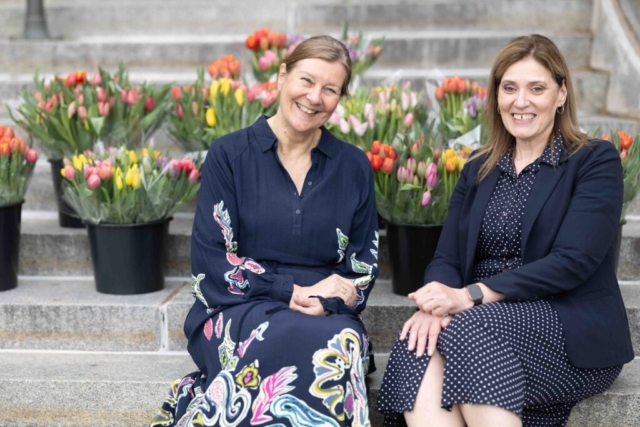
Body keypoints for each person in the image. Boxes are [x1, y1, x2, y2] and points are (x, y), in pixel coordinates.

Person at [376, 34, 634, 427]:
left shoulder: (592, 161)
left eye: (537, 88)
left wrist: (471, 296)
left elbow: (572, 261)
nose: (521, 101)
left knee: (468, 329)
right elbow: (446, 257)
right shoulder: (478, 168)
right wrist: (433, 305)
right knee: (418, 339)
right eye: (509, 88)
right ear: (496, 95)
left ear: (561, 93)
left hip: (565, 323)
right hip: (476, 320)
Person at [150, 35, 379, 427]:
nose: (314, 97)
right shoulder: (229, 155)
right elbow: (211, 258)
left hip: (324, 309)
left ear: (340, 98)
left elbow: (362, 266)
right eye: (306, 80)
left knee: (338, 343)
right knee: (277, 335)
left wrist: (329, 299)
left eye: (330, 89)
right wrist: (289, 291)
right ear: (282, 76)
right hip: (237, 305)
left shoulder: (353, 166)